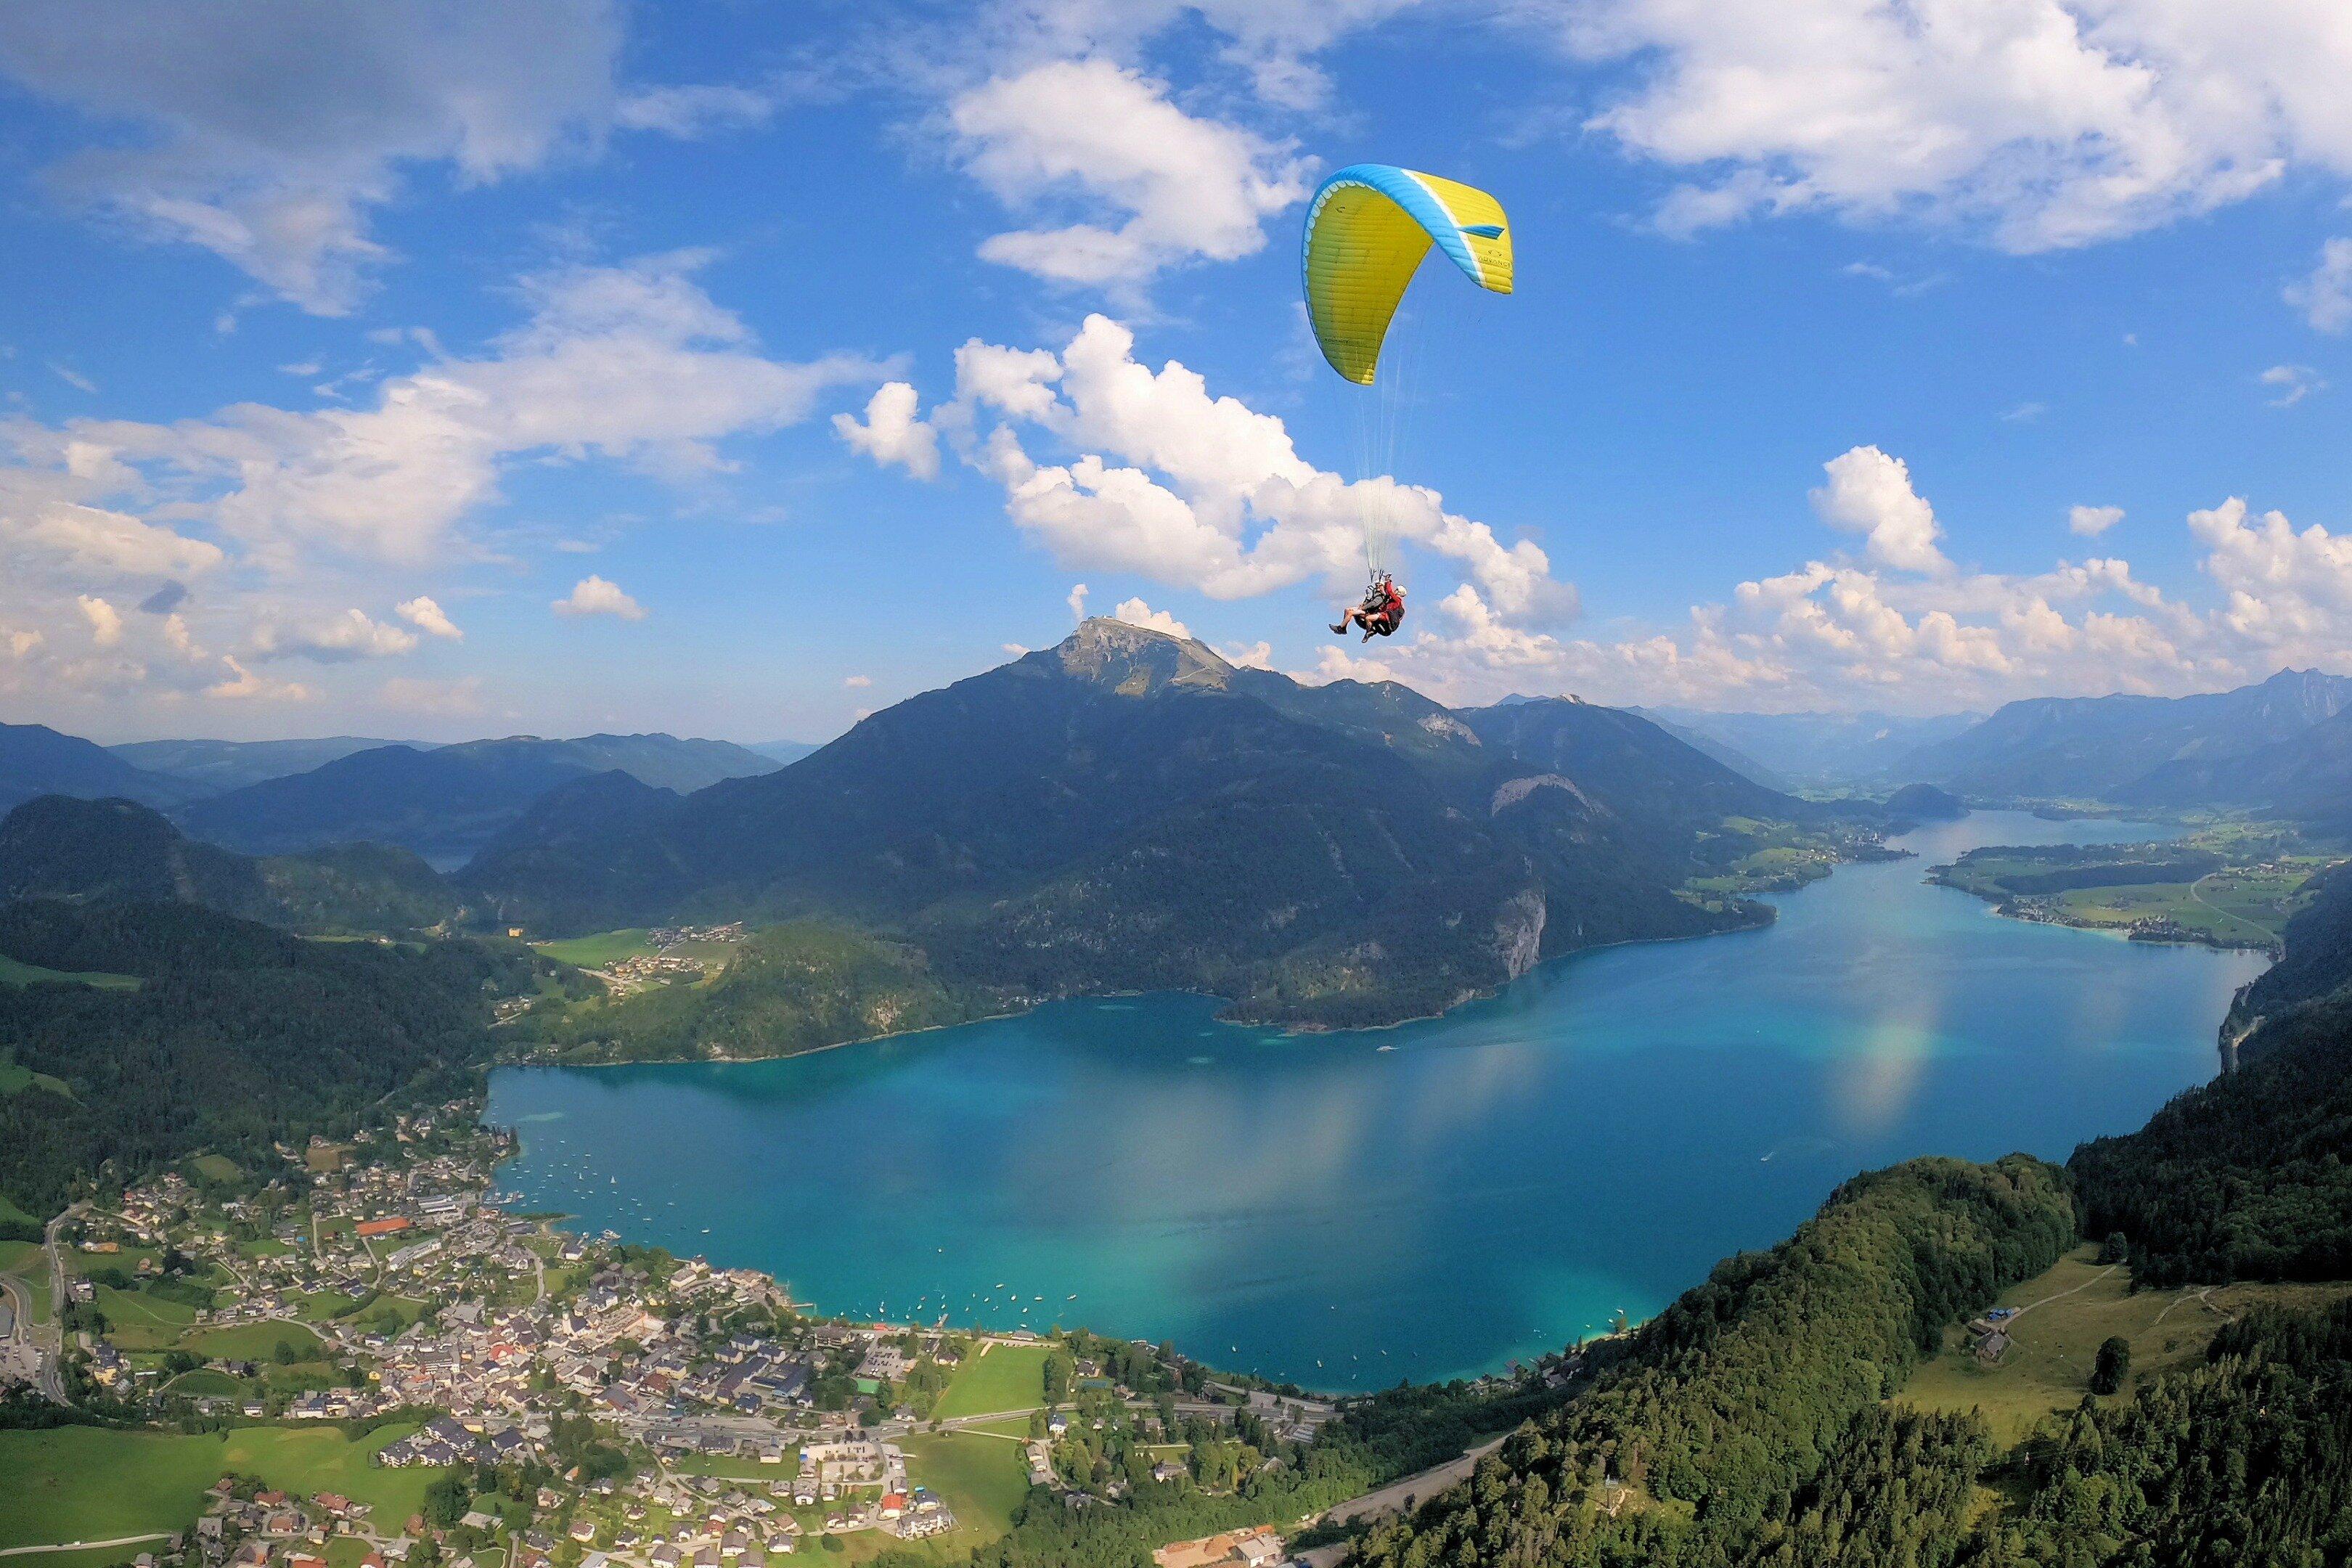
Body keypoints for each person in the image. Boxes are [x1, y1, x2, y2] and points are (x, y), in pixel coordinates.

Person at [1333, 575, 1405, 640]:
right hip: (1376, 612)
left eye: (1397, 590)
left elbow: (1388, 592)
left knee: (1361, 616)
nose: (1377, 587)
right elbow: (1387, 593)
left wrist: (1388, 581)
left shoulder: (1397, 600)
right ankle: (1342, 628)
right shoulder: (1384, 597)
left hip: (1384, 616)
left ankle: (1369, 632)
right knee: (1348, 610)